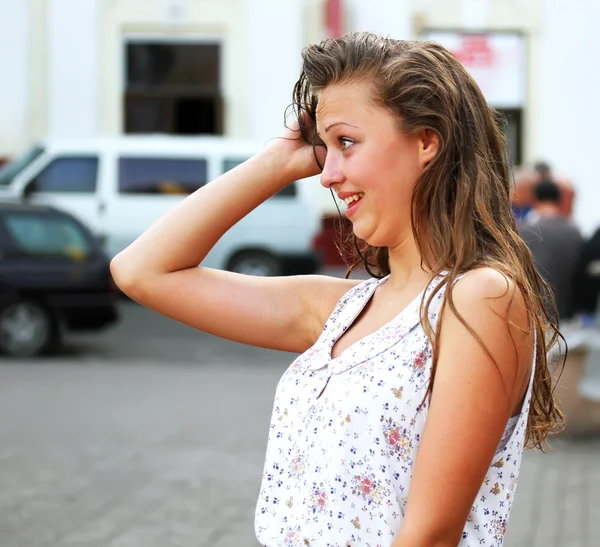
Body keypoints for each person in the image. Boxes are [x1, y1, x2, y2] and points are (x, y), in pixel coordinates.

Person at [111, 32, 564, 547]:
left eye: (346, 143)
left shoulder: (479, 298)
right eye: (322, 150)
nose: (326, 174)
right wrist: (276, 164)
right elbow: (141, 271)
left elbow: (431, 535)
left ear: (426, 141)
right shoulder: (342, 310)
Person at [519, 179, 584, 322]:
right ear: (559, 200)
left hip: (533, 316)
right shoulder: (575, 232)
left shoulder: (523, 231)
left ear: (534, 199)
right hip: (566, 317)